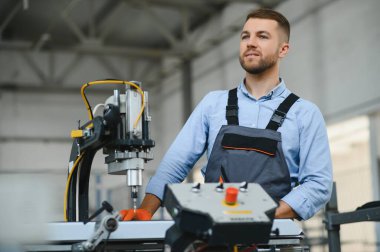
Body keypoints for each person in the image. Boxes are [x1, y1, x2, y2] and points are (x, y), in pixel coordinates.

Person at [136, 8, 333, 221]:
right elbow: (175, 163)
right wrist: (144, 213)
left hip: (275, 238)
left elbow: (318, 185)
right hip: (213, 238)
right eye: (245, 36)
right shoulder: (213, 104)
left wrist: (263, 217)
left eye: (262, 36)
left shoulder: (305, 113)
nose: (250, 42)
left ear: (283, 49)